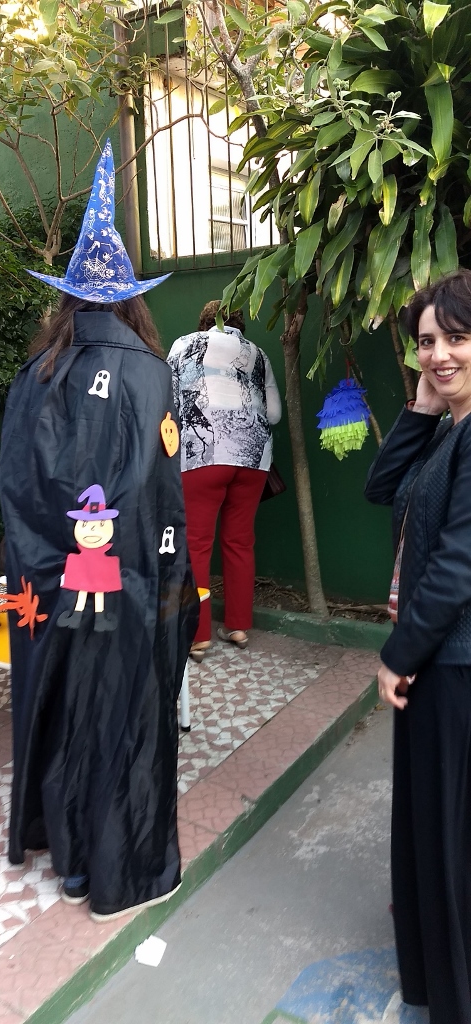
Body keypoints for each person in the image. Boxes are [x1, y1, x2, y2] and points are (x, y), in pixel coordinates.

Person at [0, 140, 198, 923]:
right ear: (132, 302)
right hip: (129, 588)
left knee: (59, 706)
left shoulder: (34, 376)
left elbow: (18, 490)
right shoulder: (150, 374)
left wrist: (43, 570)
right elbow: (160, 504)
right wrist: (170, 594)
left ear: (67, 301)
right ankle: (114, 870)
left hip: (48, 586)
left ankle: (63, 851)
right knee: (122, 723)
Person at [365, 269, 471, 1023]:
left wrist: (398, 655)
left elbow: (459, 562)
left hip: (455, 663)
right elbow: (381, 488)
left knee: (450, 834)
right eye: (428, 342)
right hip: (438, 658)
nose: (438, 355)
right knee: (433, 827)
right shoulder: (449, 429)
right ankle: (437, 977)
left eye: (457, 339)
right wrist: (424, 407)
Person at [167, 301, 281, 661]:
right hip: (253, 459)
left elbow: (168, 401)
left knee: (196, 545)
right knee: (240, 541)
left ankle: (197, 636)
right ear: (240, 325)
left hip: (202, 456)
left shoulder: (184, 345)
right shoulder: (259, 354)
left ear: (203, 322)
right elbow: (274, 414)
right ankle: (238, 626)